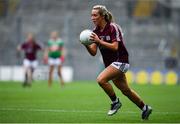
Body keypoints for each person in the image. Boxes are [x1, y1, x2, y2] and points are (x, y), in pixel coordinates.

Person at [83, 5, 152, 120]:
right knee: (125, 90)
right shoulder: (95, 31)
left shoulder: (113, 27)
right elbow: (93, 52)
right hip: (112, 65)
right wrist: (86, 44)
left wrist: (99, 41)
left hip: (121, 61)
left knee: (101, 80)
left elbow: (115, 47)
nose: (92, 18)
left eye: (95, 15)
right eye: (91, 15)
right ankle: (145, 108)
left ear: (102, 16)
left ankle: (115, 102)